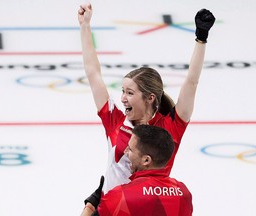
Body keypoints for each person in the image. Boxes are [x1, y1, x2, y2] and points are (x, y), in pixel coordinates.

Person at [78, 4, 215, 194]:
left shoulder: (171, 127)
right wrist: (85, 26)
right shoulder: (115, 121)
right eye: (123, 91)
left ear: (150, 98)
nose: (123, 99)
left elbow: (191, 82)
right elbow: (93, 73)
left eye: (130, 93)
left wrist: (201, 38)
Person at [81, 125, 193, 216]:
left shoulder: (120, 196)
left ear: (146, 160)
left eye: (130, 149)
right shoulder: (184, 194)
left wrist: (91, 203)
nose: (125, 152)